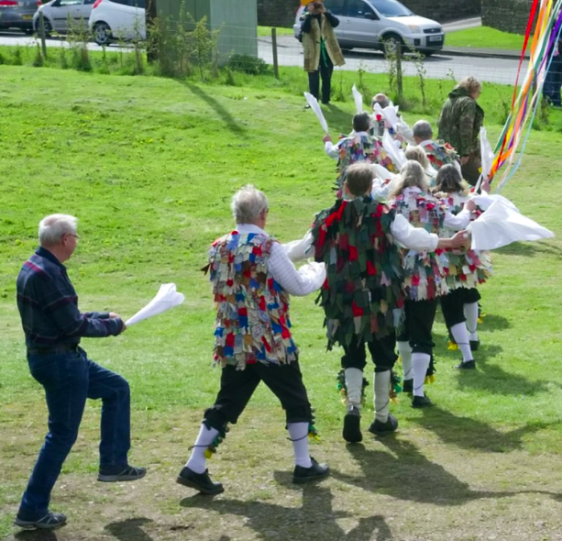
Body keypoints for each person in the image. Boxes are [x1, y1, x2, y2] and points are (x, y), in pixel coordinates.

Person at [176, 186, 329, 496]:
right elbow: (297, 285)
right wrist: (320, 271)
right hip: (270, 340)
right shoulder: (267, 247)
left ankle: (195, 465)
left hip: (234, 340)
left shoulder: (218, 247)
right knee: (295, 398)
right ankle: (303, 464)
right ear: (263, 214)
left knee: (227, 402)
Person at [301, 164, 469, 443]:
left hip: (344, 300)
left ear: (345, 187)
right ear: (370, 188)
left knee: (352, 354)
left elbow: (303, 247)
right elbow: (415, 239)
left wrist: (269, 252)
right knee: (383, 355)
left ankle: (353, 407)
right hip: (381, 298)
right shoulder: (385, 215)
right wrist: (449, 241)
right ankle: (381, 417)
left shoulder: (329, 217)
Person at [14, 214, 144, 531]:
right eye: (76, 236)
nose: (77, 240)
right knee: (60, 436)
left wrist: (101, 315)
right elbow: (73, 325)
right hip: (61, 363)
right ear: (65, 240)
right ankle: (31, 509)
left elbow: (64, 314)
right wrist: (113, 325)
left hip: (55, 357)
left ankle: (113, 463)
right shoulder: (48, 274)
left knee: (116, 388)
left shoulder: (35, 266)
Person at [390, 162, 473, 407]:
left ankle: (406, 377)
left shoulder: (392, 205)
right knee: (422, 333)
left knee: (403, 329)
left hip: (397, 273)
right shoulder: (432, 203)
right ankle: (417, 392)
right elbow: (458, 224)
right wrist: (468, 208)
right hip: (427, 274)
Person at [434, 164, 491, 364]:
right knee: (469, 293)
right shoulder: (469, 199)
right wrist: (485, 189)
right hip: (468, 257)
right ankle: (473, 335)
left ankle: (467, 357)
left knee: (452, 305)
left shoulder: (435, 202)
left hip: (444, 258)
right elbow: (485, 208)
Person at [324, 112, 396, 197]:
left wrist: (327, 141)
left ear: (353, 126)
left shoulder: (345, 142)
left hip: (349, 182)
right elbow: (384, 160)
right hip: (367, 182)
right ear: (369, 126)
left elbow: (330, 152)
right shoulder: (375, 143)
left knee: (348, 206)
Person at [299, 0, 345, 106]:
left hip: (327, 52)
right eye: (313, 5)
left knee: (327, 76)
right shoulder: (306, 16)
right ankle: (313, 101)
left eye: (317, 5)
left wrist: (325, 12)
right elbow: (305, 29)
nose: (316, 7)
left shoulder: (326, 15)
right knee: (313, 78)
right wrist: (310, 14)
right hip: (313, 52)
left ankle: (326, 100)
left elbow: (336, 23)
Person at [438, 76, 485, 185]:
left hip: (445, 148)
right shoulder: (468, 103)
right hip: (460, 151)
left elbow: (440, 125)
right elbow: (466, 128)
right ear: (473, 90)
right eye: (479, 92)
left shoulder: (449, 101)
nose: (478, 95)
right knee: (483, 176)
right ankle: (476, 199)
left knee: (455, 179)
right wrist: (465, 153)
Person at [544, 12, 562, 109]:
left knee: (559, 79)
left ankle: (557, 100)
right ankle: (546, 100)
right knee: (550, 78)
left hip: (561, 54)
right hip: (552, 54)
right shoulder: (550, 25)